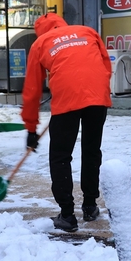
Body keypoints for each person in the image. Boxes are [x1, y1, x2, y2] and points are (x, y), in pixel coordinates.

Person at [22, 13, 112, 233]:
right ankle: (90, 206)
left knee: (61, 156)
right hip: (97, 96)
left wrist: (31, 128)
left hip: (68, 100)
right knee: (91, 150)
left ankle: (67, 215)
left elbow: (32, 90)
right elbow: (105, 66)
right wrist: (93, 90)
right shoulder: (87, 31)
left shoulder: (40, 43)